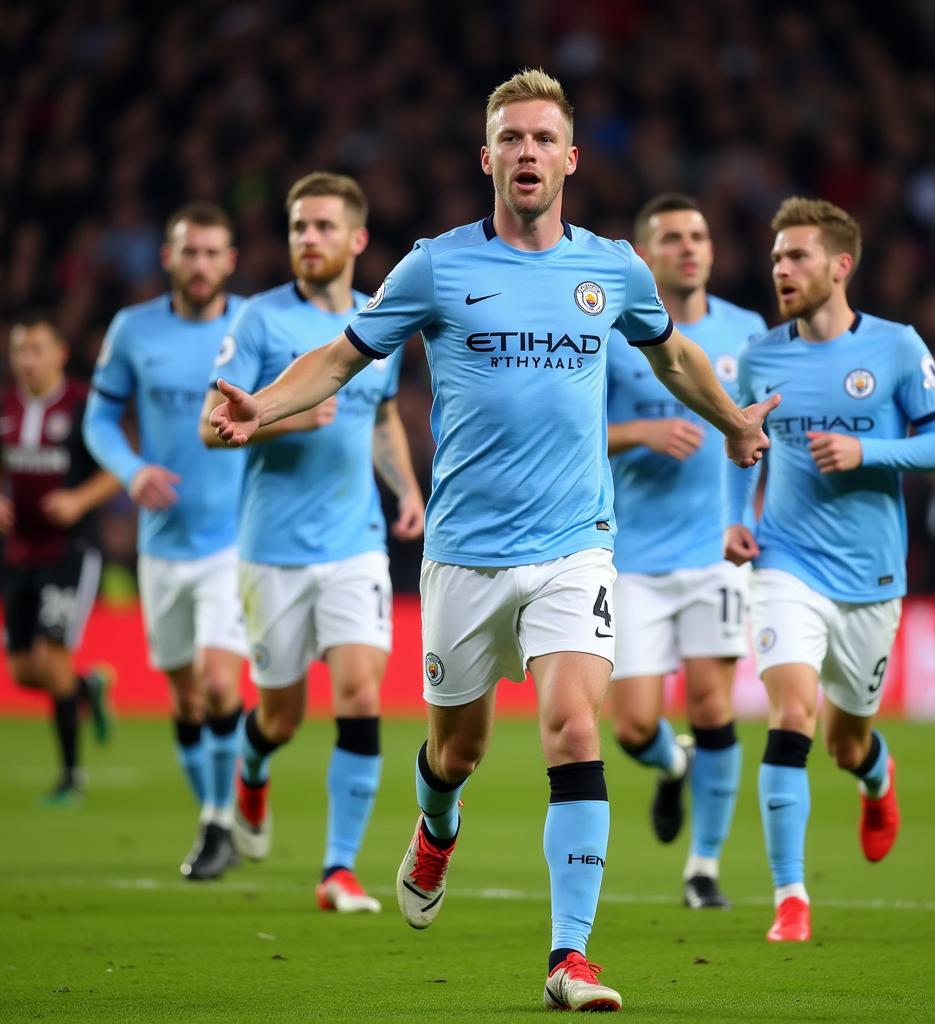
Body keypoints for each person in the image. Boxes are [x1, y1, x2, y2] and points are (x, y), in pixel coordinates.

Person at [209, 71, 775, 1012]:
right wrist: (260, 407)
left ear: (569, 159)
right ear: (487, 157)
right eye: (510, 138)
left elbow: (669, 352)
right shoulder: (435, 266)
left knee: (573, 727)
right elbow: (345, 357)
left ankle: (570, 957)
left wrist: (731, 422)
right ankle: (436, 824)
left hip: (575, 545)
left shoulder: (613, 269)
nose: (526, 152)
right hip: (465, 551)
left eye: (542, 139)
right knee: (456, 752)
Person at [725, 197, 935, 942]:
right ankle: (790, 896)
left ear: (840, 265)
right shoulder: (762, 357)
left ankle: (874, 775)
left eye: (797, 257)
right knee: (792, 714)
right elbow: (744, 445)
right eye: (775, 259)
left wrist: (870, 452)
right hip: (784, 562)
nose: (782, 270)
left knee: (844, 741)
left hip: (870, 578)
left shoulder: (895, 349)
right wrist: (737, 516)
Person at [199, 171, 424, 914]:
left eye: (324, 226)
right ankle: (253, 773)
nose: (309, 239)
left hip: (355, 545)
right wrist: (286, 416)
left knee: (361, 692)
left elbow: (382, 414)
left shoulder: (376, 319)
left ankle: (338, 869)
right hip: (272, 550)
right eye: (299, 227)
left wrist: (406, 489)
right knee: (281, 716)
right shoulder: (259, 322)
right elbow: (212, 425)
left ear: (357, 240)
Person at [605, 194, 767, 910]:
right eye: (672, 238)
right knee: (635, 723)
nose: (689, 247)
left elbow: (756, 438)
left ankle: (702, 869)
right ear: (646, 255)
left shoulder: (746, 332)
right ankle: (672, 767)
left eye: (698, 235)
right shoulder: (614, 336)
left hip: (715, 554)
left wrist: (750, 517)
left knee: (712, 706)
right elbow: (576, 434)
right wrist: (640, 433)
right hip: (631, 557)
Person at [84, 203, 248, 880]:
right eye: (191, 252)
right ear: (169, 258)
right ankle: (215, 813)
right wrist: (131, 470)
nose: (201, 264)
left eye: (213, 252)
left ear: (230, 261)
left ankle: (218, 822)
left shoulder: (252, 324)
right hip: (162, 544)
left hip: (233, 540)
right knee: (184, 699)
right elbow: (97, 417)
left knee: (217, 683)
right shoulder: (133, 329)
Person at [1, 313, 118, 803]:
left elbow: (116, 470)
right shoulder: (5, 407)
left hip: (69, 551)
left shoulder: (82, 406)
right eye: (20, 351)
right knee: (24, 670)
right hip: (18, 551)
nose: (27, 360)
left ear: (60, 354)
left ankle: (71, 777)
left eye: (37, 350)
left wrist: (77, 502)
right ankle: (87, 686)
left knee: (52, 658)